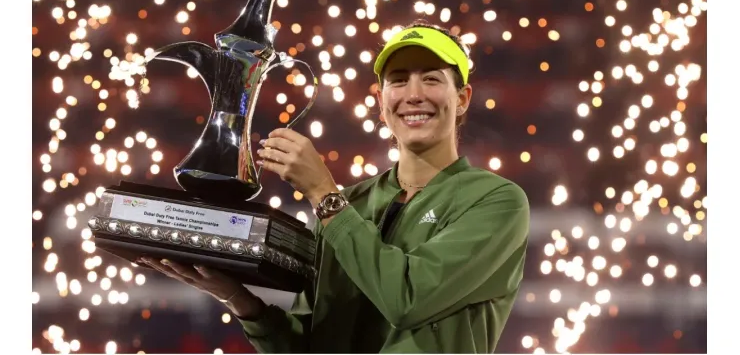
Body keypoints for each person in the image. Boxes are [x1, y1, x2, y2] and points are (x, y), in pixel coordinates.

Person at [140, 20, 530, 353]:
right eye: (398, 81)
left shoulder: (496, 202)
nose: (414, 94)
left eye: (431, 79)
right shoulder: (353, 204)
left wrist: (323, 194)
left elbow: (409, 301)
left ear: (462, 98)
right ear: (381, 102)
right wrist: (241, 301)